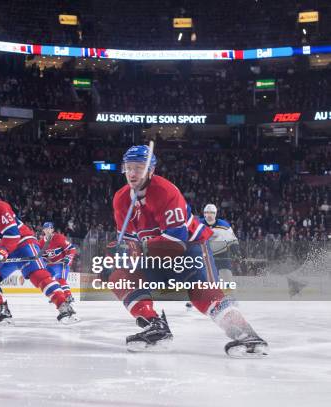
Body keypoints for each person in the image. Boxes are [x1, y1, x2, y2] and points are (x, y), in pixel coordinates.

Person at [110, 145, 268, 357]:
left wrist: (141, 247)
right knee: (115, 273)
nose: (132, 173)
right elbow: (130, 244)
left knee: (201, 292)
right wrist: (122, 252)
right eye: (128, 168)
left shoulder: (166, 191)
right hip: (157, 256)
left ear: (151, 170)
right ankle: (155, 325)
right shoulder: (121, 200)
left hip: (190, 250)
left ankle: (247, 335)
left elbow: (176, 241)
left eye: (138, 168)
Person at [0, 180, 78, 324]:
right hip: (5, 252)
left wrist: (1, 252)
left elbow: (12, 234)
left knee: (38, 275)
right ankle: (1, 309)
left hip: (23, 243)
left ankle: (64, 306)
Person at [38, 222, 77, 303]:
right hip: (51, 264)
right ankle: (56, 295)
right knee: (46, 279)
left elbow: (72, 248)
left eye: (49, 228)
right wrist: (42, 260)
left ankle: (68, 296)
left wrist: (68, 258)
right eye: (46, 229)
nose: (47, 230)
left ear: (52, 229)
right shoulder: (41, 243)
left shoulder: (59, 238)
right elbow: (42, 256)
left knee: (60, 279)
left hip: (62, 263)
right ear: (43, 230)